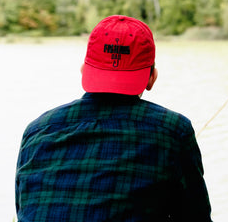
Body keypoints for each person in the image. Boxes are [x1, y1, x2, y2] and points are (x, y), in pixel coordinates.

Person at [15, 15, 212, 222]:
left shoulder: (36, 131)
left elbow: (24, 209)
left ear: (84, 71)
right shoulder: (174, 130)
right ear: (152, 77)